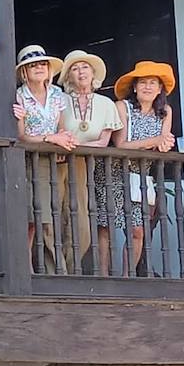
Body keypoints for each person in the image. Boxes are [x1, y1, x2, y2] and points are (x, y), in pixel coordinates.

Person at [57, 50, 122, 274]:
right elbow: (56, 130)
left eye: (84, 67)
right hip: (57, 160)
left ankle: (72, 266)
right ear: (68, 77)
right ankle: (56, 269)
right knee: (54, 214)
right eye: (74, 68)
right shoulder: (60, 100)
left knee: (82, 221)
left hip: (84, 164)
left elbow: (104, 141)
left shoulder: (105, 104)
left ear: (93, 73)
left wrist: (78, 148)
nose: (80, 72)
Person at [14, 44, 75, 273]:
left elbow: (62, 126)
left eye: (42, 64)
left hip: (53, 160)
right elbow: (22, 136)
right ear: (24, 71)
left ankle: (54, 269)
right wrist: (52, 138)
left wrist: (63, 140)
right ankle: (26, 268)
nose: (38, 68)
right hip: (30, 159)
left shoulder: (57, 94)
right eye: (32, 65)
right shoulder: (20, 95)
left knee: (50, 215)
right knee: (31, 216)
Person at [111, 61, 177, 274]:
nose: (148, 87)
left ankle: (128, 277)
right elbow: (121, 144)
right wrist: (155, 140)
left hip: (142, 177)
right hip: (116, 174)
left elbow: (162, 143)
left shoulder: (165, 111)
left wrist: (164, 145)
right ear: (135, 87)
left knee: (139, 230)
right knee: (105, 226)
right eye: (143, 82)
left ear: (160, 89)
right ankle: (105, 275)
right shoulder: (123, 107)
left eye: (153, 83)